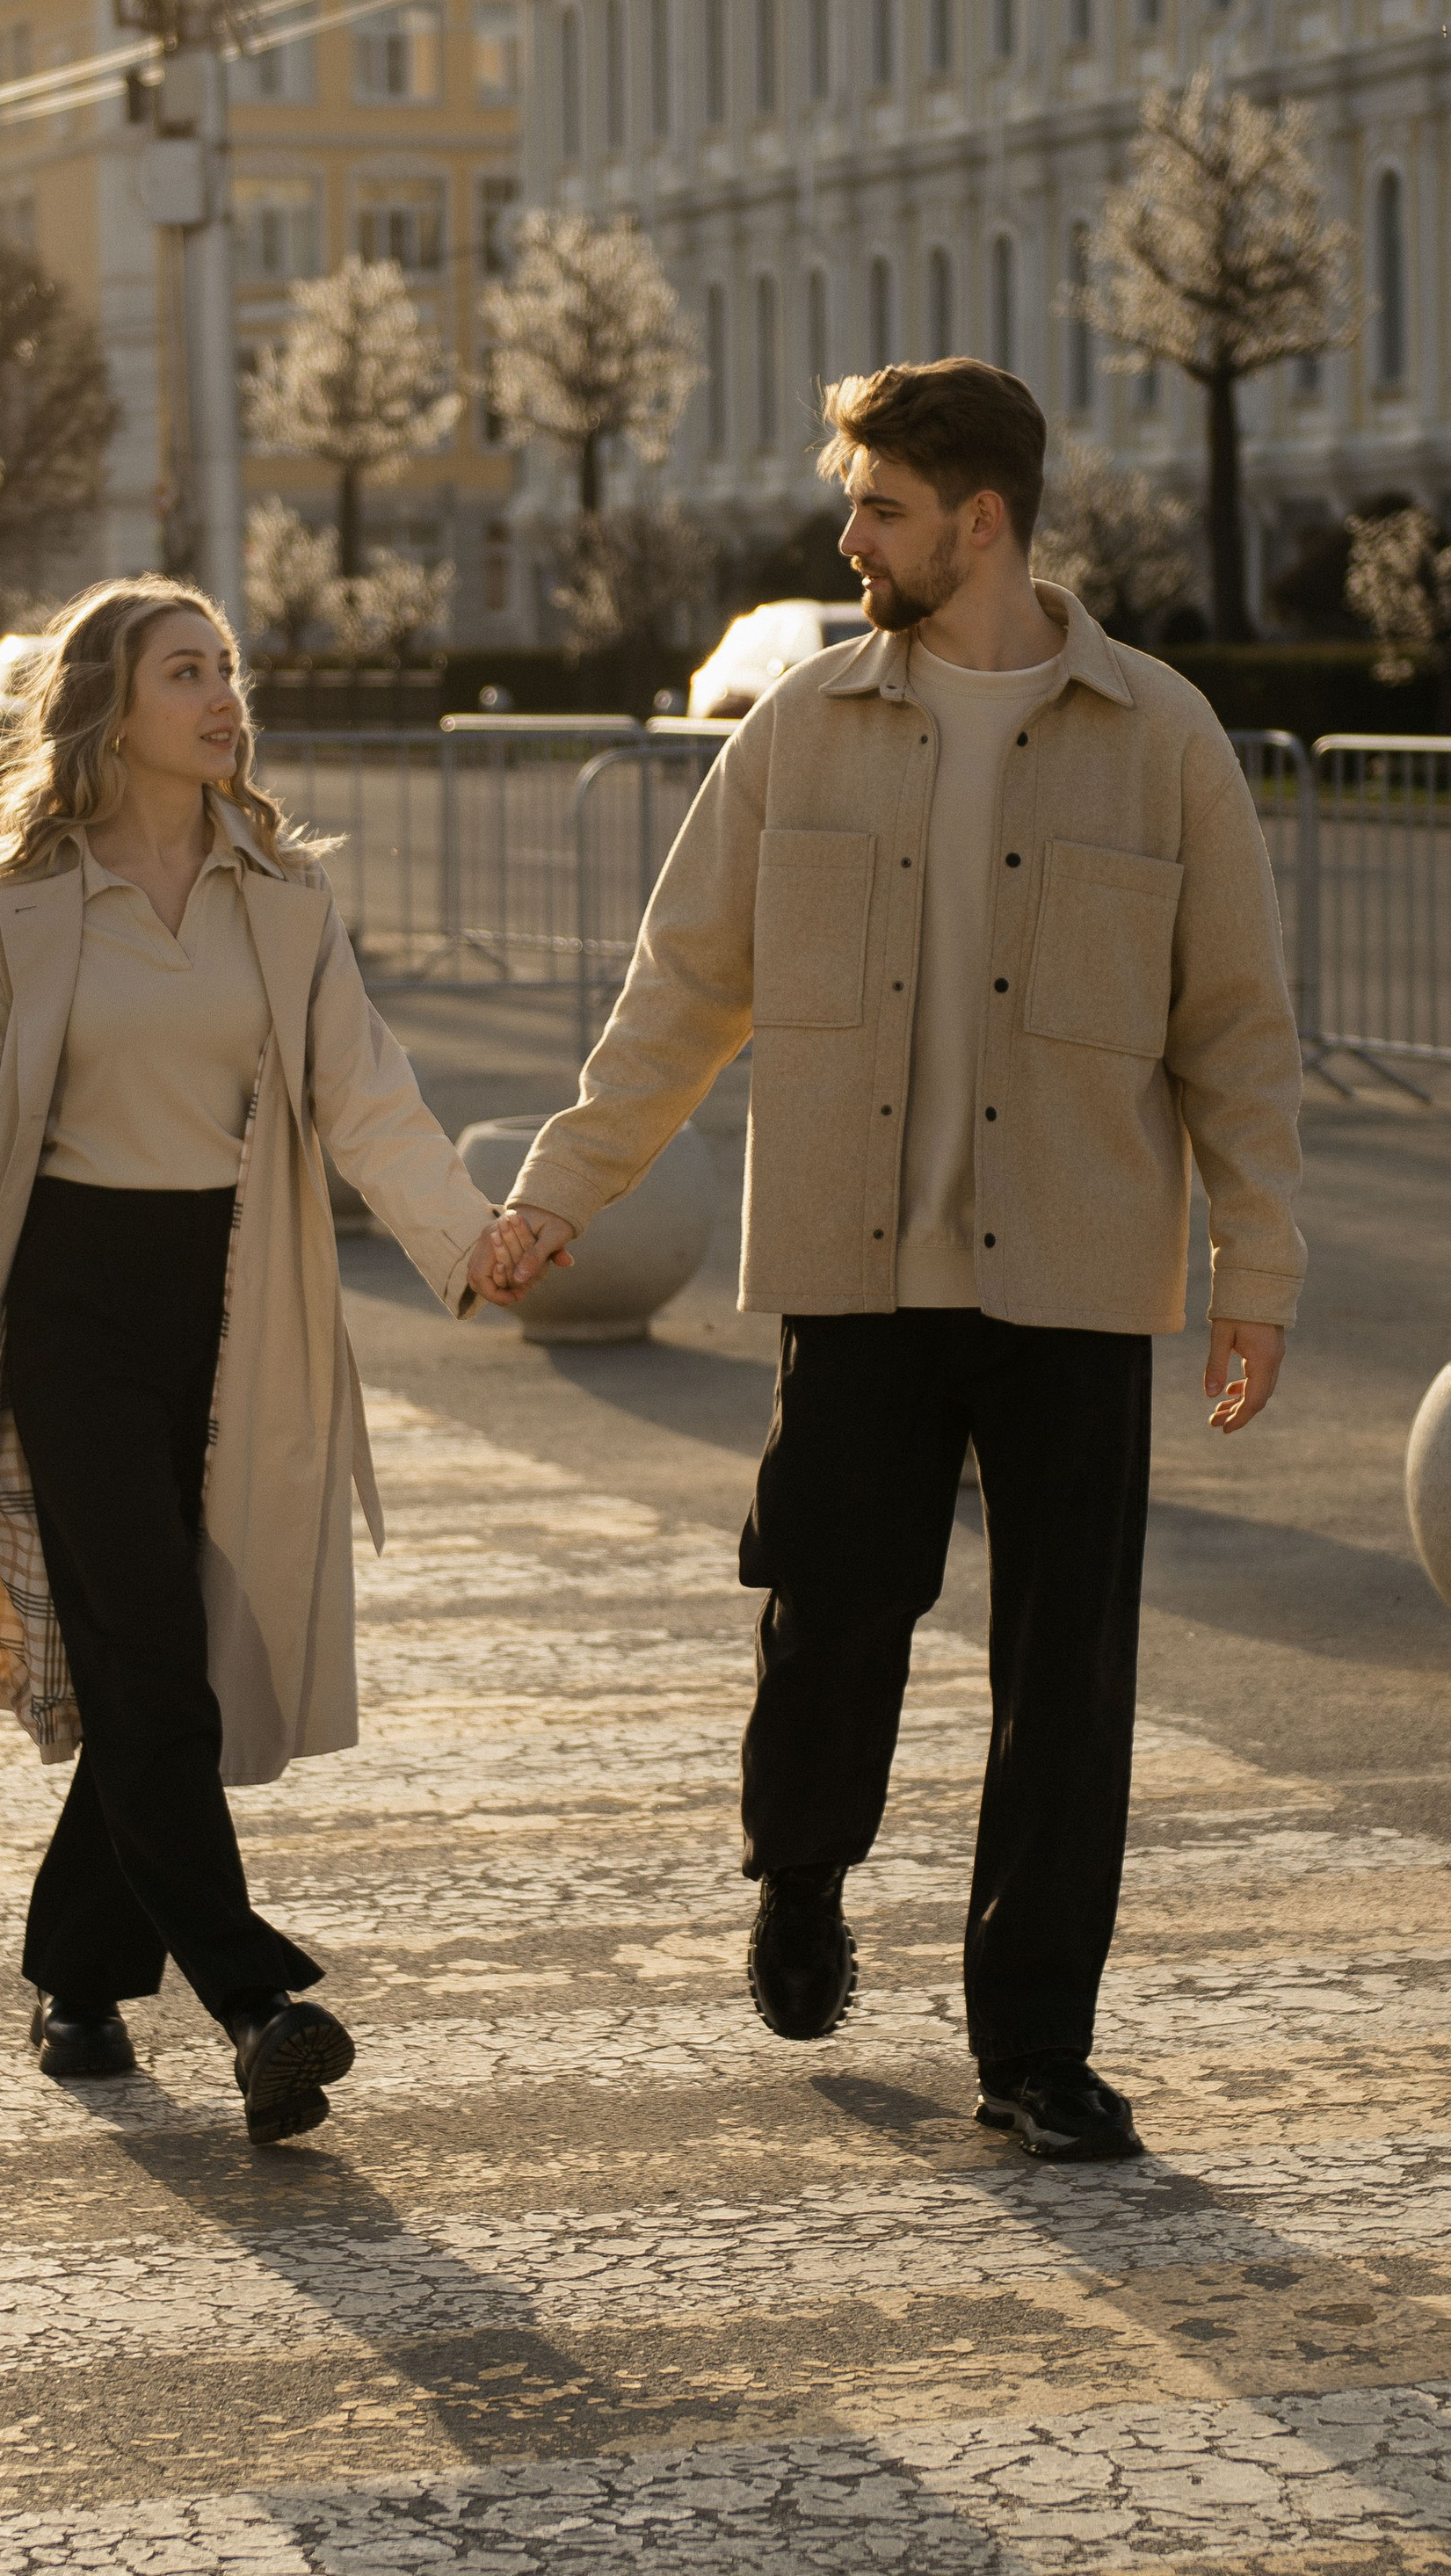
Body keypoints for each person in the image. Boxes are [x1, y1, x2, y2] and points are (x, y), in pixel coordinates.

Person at [497, 360, 1304, 2163]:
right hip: (856, 1276)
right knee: (829, 1614)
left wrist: (1254, 1270)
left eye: (878, 508)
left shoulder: (1160, 737)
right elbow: (682, 987)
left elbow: (1236, 1032)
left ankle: (1034, 2046)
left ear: (979, 521)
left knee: (1066, 1678)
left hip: (1076, 1280)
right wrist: (565, 1188)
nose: (847, 537)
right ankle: (799, 1873)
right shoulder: (802, 727)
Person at [0, 577, 524, 2145]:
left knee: (170, 1662)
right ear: (109, 704)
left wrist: (473, 1242)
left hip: (237, 1303)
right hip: (69, 1312)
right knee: (148, 1648)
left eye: (227, 668)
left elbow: (368, 1094)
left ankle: (78, 1973)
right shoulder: (15, 907)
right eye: (185, 672)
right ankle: (253, 2003)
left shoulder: (282, 895)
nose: (225, 696)